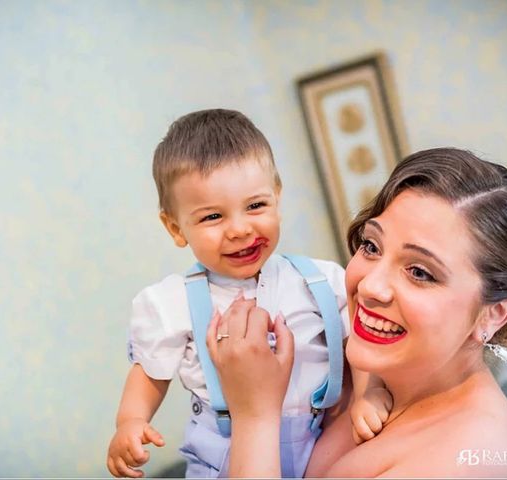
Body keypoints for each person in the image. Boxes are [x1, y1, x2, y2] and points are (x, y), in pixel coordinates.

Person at [208, 147, 507, 478]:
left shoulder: (475, 461)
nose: (369, 286)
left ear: (494, 314)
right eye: (371, 246)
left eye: (420, 272)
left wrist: (255, 417)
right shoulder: (342, 365)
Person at [106, 109, 393, 478]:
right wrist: (130, 422)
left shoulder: (321, 279)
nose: (240, 230)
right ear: (176, 228)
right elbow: (150, 372)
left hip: (319, 443)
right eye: (213, 217)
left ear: (277, 197)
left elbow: (357, 346)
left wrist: (369, 392)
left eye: (255, 206)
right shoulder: (171, 302)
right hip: (222, 456)